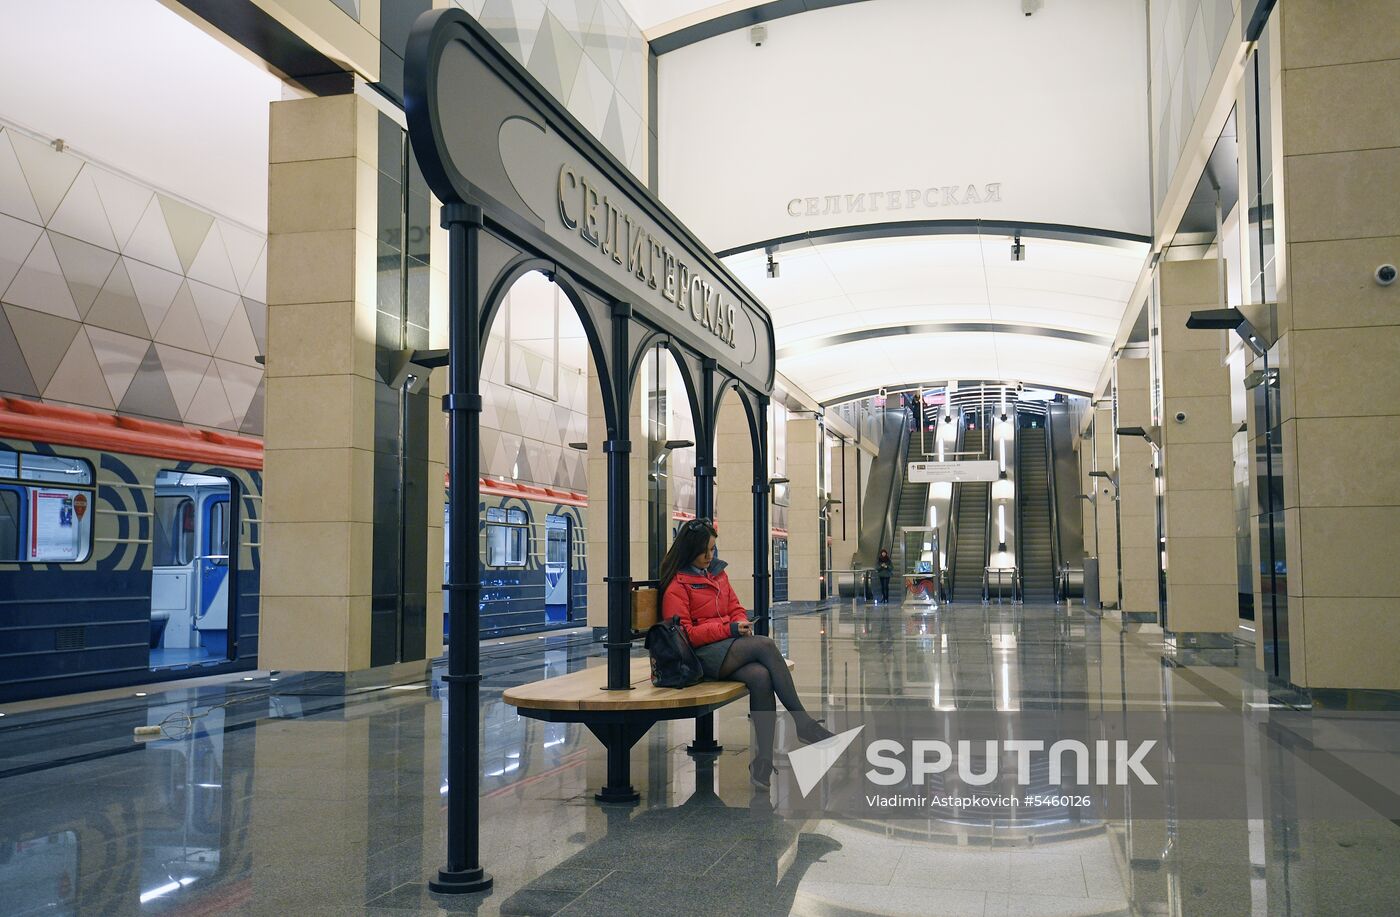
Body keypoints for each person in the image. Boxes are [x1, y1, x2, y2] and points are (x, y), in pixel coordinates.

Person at [660, 518, 835, 789]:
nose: (709, 556)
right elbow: (686, 636)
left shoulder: (718, 574)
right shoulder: (678, 586)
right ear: (690, 549)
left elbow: (736, 607)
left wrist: (739, 622)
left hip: (723, 648)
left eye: (712, 549)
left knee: (760, 676)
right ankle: (803, 723)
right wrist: (729, 629)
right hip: (698, 658)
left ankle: (762, 762)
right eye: (704, 551)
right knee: (764, 645)